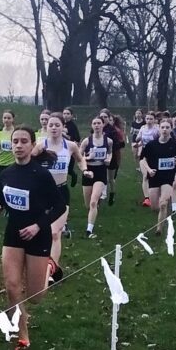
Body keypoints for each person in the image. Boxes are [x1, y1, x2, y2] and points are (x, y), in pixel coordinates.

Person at [0, 126, 66, 350]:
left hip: (38, 235)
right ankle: (23, 334)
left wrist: (37, 226)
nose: (19, 145)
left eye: (24, 141)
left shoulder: (41, 175)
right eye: (15, 141)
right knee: (12, 286)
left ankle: (50, 267)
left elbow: (59, 206)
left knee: (35, 296)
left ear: (32, 145)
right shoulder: (6, 174)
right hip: (13, 233)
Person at [32, 113, 90, 282]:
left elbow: (80, 160)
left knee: (55, 233)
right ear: (47, 127)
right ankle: (42, 264)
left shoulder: (70, 145)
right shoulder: (40, 145)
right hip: (42, 194)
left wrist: (85, 169)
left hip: (61, 192)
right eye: (51, 125)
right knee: (42, 232)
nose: (54, 128)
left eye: (57, 125)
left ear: (63, 127)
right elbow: (29, 163)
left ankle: (51, 269)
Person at [140, 117, 176, 235]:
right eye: (162, 127)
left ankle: (159, 229)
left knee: (163, 203)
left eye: (167, 127)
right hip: (154, 177)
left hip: (168, 177)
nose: (164, 130)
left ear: (171, 129)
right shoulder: (151, 145)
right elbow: (143, 160)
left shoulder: (175, 145)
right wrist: (149, 170)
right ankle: (160, 212)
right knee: (155, 207)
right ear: (158, 129)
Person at [80, 115, 112, 238]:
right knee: (88, 205)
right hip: (88, 172)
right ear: (91, 126)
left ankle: (89, 230)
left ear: (103, 125)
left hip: (100, 172)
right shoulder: (86, 141)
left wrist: (108, 159)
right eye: (95, 123)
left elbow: (110, 153)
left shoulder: (108, 141)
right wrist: (88, 158)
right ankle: (95, 206)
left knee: (93, 203)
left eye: (99, 123)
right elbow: (79, 158)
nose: (97, 125)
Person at [135, 111, 159, 207]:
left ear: (154, 120)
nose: (149, 121)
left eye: (151, 119)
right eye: (147, 119)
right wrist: (137, 141)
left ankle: (157, 194)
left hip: (155, 154)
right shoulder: (142, 128)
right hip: (144, 154)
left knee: (154, 175)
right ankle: (147, 199)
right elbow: (138, 139)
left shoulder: (157, 129)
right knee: (145, 176)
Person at [62, 108, 82, 186]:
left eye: (68, 114)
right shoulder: (61, 123)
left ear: (71, 115)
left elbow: (77, 138)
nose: (66, 116)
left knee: (69, 169)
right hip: (61, 148)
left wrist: (65, 134)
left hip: (70, 149)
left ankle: (74, 176)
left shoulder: (72, 126)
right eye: (64, 113)